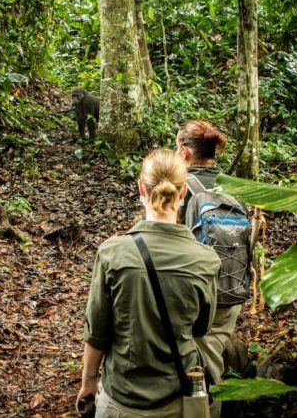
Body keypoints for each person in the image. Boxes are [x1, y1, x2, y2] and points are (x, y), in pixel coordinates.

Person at [76, 149, 220, 417]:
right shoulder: (206, 260)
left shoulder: (112, 253)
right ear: (184, 192)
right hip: (178, 398)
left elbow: (97, 331)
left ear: (141, 187)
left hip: (121, 398)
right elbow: (201, 327)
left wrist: (88, 383)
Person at [176, 120, 244, 390]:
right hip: (230, 288)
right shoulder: (235, 187)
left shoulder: (181, 188)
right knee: (212, 359)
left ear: (184, 151)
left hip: (193, 294)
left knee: (186, 364)